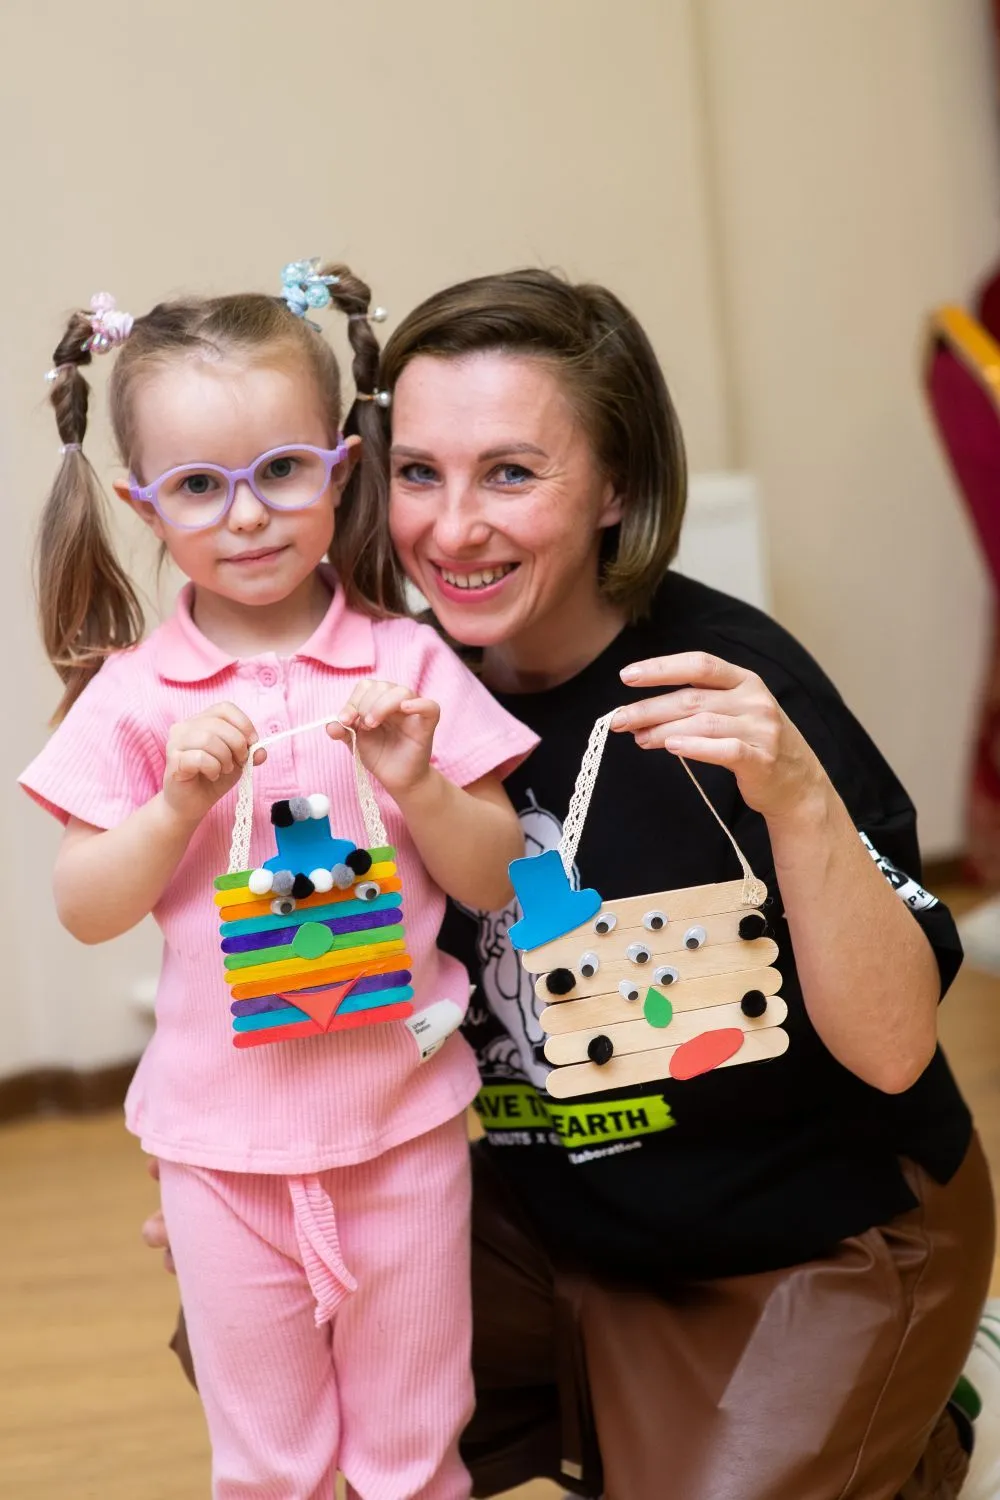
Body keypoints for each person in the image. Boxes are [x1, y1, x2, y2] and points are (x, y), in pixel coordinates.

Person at [154, 267, 995, 1500]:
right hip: (556, 1213)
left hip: (809, 1237)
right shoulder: (387, 688)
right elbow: (324, 963)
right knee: (254, 1299)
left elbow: (891, 1050)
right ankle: (633, 1413)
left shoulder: (723, 691)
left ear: (617, 488)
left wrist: (801, 803)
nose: (453, 530)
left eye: (510, 473)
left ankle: (927, 1413)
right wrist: (239, 1169)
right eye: (420, 473)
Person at [20, 263, 538, 1500]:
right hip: (219, 1155)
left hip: (404, 1133)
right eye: (201, 486)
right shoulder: (133, 696)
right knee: (268, 1464)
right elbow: (86, 907)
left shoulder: (408, 662)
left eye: (282, 470)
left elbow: (498, 877)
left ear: (340, 468)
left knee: (414, 1449)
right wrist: (173, 807)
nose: (247, 516)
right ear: (146, 507)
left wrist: (418, 785)